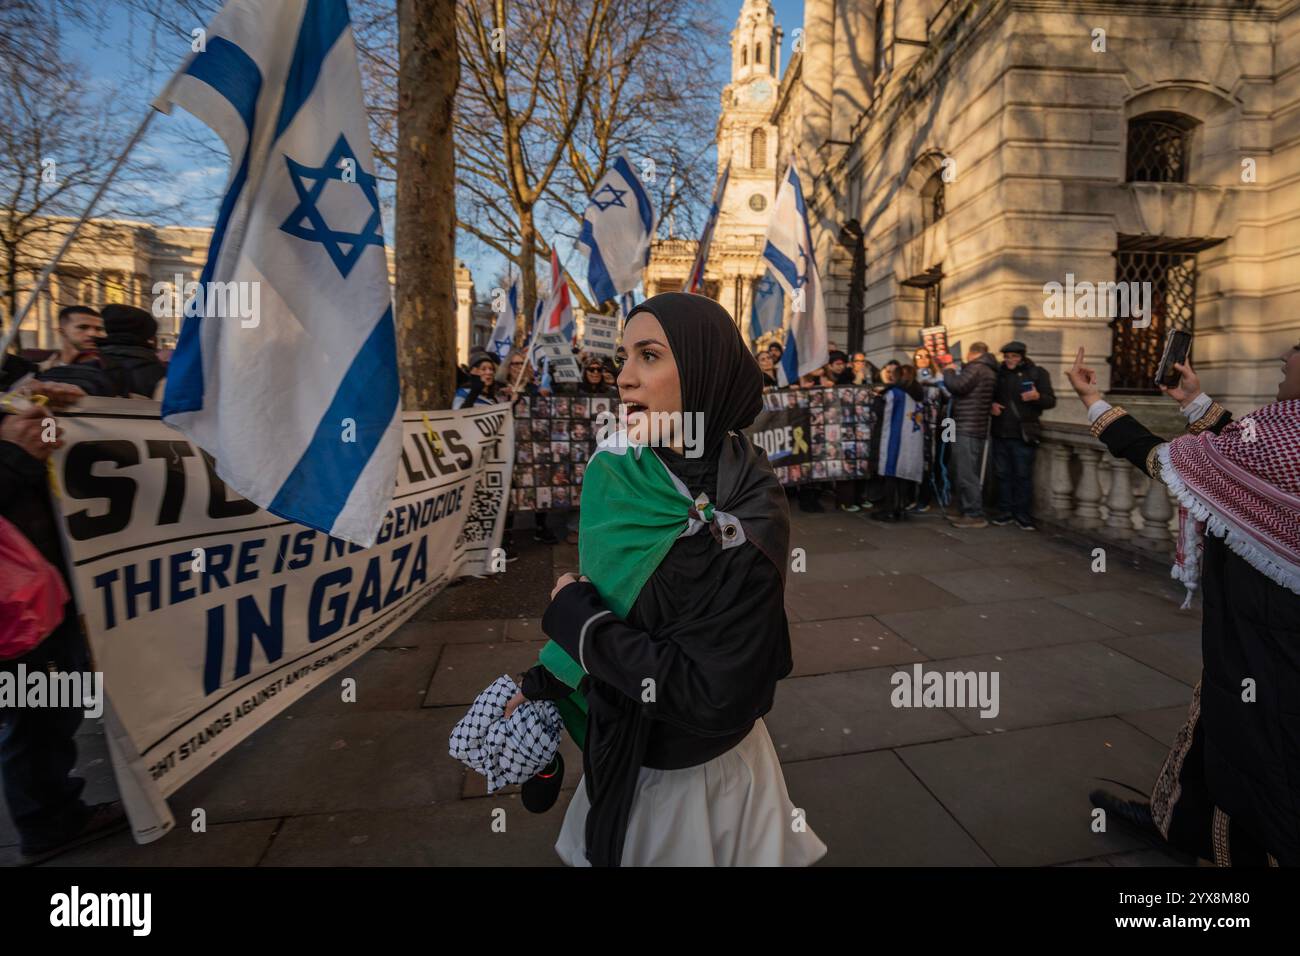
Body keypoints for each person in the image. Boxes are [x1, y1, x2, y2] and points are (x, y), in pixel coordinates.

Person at [508, 291, 826, 867]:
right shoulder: (616, 472)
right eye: (624, 356)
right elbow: (614, 593)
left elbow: (716, 693)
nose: (623, 378)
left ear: (702, 369)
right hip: (616, 749)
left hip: (695, 781)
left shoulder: (747, 513)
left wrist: (577, 622)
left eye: (649, 356)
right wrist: (544, 685)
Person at [1066, 344, 1300, 866]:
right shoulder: (1282, 438)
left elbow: (1163, 462)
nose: (1288, 353)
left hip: (1268, 634)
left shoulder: (1286, 436)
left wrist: (1094, 402)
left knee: (1261, 753)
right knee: (1216, 723)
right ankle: (1180, 823)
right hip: (1259, 627)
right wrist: (1196, 402)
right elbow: (1249, 457)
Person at [1, 380, 127, 864]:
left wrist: (44, 410)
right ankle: (48, 822)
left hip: (46, 590)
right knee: (35, 717)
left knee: (56, 708)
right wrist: (14, 455)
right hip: (19, 608)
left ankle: (53, 808)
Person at [988, 341, 1056, 531]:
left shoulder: (1036, 373)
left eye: (1014, 356)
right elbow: (988, 397)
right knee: (1002, 475)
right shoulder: (997, 374)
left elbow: (1050, 401)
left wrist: (1037, 398)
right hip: (1000, 432)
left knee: (1022, 475)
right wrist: (991, 406)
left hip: (1023, 434)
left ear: (1022, 356)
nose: (1010, 360)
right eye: (1007, 356)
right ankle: (1005, 513)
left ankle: (1022, 515)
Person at [39, 304, 167, 399]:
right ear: (150, 338)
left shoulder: (63, 369)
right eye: (83, 328)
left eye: (97, 328)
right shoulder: (165, 374)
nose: (91, 334)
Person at [940, 341, 999, 528]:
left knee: (966, 473)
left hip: (967, 427)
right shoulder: (986, 369)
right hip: (970, 426)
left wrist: (948, 370)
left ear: (970, 354)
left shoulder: (977, 368)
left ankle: (974, 514)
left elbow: (957, 386)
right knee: (962, 470)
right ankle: (966, 510)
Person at [869, 364, 927, 522]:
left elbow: (881, 411)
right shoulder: (918, 392)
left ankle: (889, 509)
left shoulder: (895, 393)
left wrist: (877, 398)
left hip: (896, 437)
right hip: (911, 439)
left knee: (891, 473)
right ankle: (901, 508)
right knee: (903, 475)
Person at [37, 306, 104, 371]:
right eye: (83, 327)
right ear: (62, 332)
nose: (93, 334)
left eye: (98, 329)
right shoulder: (40, 370)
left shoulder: (108, 369)